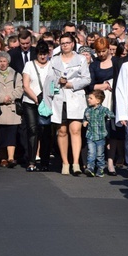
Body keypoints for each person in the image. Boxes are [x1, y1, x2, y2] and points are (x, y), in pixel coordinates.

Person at [44, 32, 90, 175]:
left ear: (72, 44)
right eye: (62, 43)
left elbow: (86, 79)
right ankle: (65, 162)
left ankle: (76, 163)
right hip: (60, 98)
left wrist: (71, 84)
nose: (65, 46)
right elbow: (49, 79)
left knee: (75, 130)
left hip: (75, 97)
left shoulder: (81, 59)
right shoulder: (54, 60)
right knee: (62, 131)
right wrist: (58, 82)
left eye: (67, 43)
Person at [89, 37, 126, 176]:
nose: (101, 54)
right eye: (98, 52)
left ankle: (110, 162)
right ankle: (98, 162)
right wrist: (104, 86)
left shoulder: (117, 62)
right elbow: (90, 85)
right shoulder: (94, 65)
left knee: (114, 133)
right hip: (99, 103)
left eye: (103, 51)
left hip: (114, 102)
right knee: (99, 133)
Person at [22, 42, 52, 172]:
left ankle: (45, 162)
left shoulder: (52, 65)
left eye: (45, 54)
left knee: (46, 132)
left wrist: (45, 99)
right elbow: (26, 85)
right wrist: (36, 98)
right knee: (33, 130)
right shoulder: (29, 65)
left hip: (47, 103)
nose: (43, 57)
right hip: (30, 101)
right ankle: (31, 161)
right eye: (40, 54)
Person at [0, 51, 23, 168]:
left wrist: (11, 97)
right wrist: (1, 98)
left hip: (11, 108)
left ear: (8, 62)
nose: (2, 64)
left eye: (4, 61)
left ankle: (11, 157)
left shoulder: (16, 75)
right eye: (0, 61)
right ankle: (2, 157)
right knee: (0, 135)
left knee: (11, 134)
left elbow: (20, 88)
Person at [83, 90, 113, 177]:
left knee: (100, 154)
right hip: (90, 135)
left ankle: (100, 169)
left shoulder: (103, 110)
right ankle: (90, 168)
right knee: (91, 153)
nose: (88, 99)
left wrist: (109, 116)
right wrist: (84, 122)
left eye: (91, 98)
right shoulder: (87, 110)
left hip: (100, 136)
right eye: (88, 98)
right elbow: (85, 118)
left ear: (98, 100)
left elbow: (111, 114)